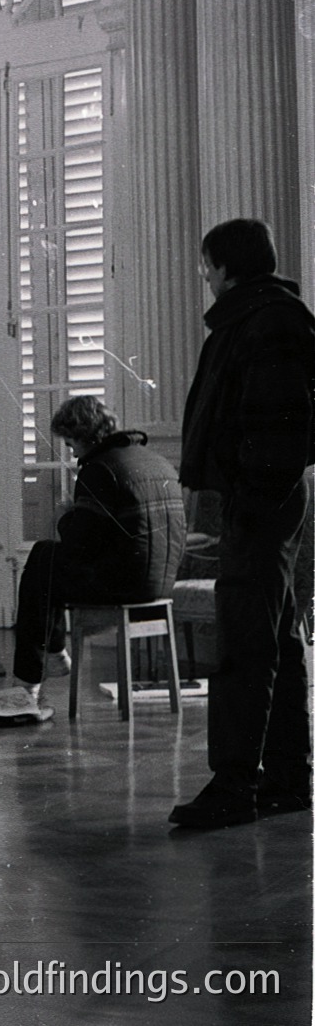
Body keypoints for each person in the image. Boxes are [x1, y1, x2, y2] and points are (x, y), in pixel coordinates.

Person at [169, 218, 315, 828]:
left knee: (244, 645)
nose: (203, 276)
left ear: (227, 266)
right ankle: (286, 778)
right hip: (263, 497)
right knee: (273, 636)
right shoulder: (263, 316)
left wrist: (247, 497)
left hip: (261, 499)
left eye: (207, 265)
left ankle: (234, 786)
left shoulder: (265, 320)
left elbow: (277, 427)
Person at [0, 397, 185, 726]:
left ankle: (33, 679)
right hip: (161, 582)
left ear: (83, 435)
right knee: (48, 563)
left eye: (70, 443)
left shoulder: (101, 469)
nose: (71, 452)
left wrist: (65, 515)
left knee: (43, 557)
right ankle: (52, 655)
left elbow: (80, 543)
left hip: (125, 584)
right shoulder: (156, 461)